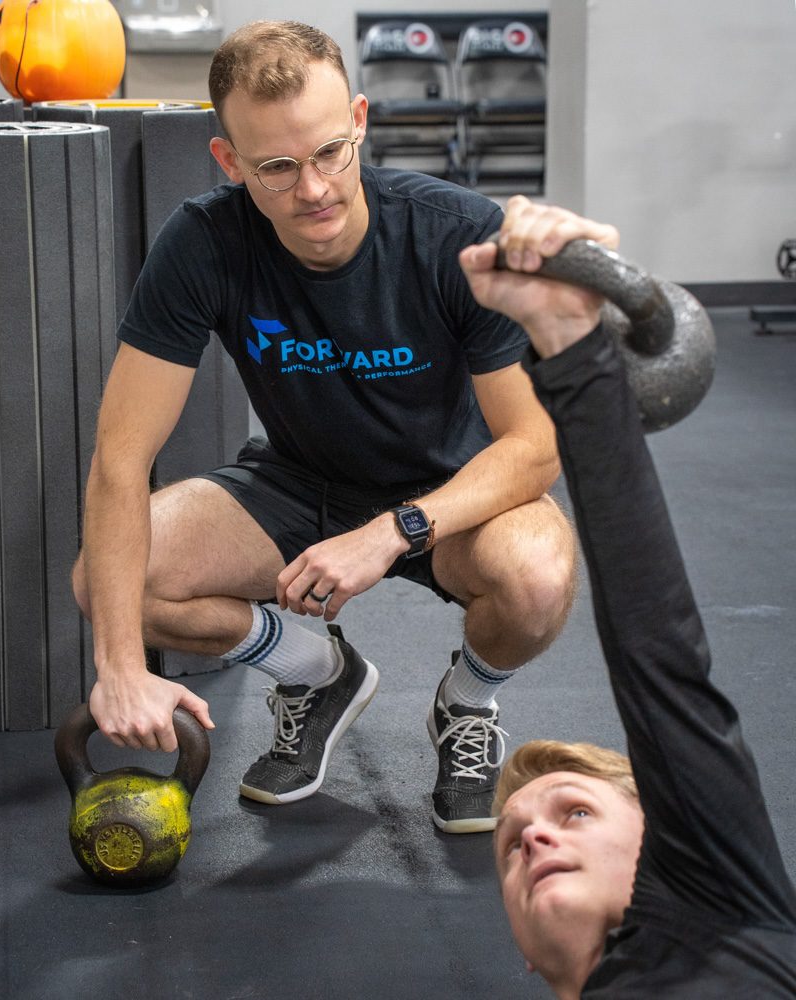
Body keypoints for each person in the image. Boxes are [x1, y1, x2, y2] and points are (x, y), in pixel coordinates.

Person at [69, 20, 619, 833]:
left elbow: (534, 449)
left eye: (330, 152)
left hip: (450, 492)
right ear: (230, 161)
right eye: (278, 168)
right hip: (298, 481)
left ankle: (465, 706)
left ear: (359, 120)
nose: (315, 189)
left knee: (538, 575)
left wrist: (395, 530)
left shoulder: (453, 234)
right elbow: (121, 457)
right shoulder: (205, 242)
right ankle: (315, 671)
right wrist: (117, 666)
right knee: (108, 585)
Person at [458, 200, 796, 993]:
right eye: (512, 846)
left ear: (667, 837)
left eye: (571, 813)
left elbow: (658, 650)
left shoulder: (722, 908)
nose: (532, 840)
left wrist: (571, 346)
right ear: (524, 955)